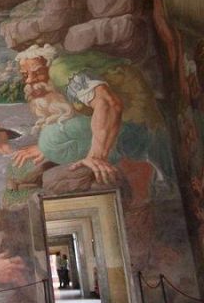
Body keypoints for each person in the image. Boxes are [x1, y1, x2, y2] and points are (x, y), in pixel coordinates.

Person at [11, 44, 173, 206]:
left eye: (38, 72)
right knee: (49, 141)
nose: (30, 81)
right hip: (135, 130)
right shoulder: (61, 77)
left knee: (50, 138)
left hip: (139, 128)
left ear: (49, 65)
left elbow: (108, 104)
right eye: (25, 75)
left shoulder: (59, 70)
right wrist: (47, 150)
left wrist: (96, 157)